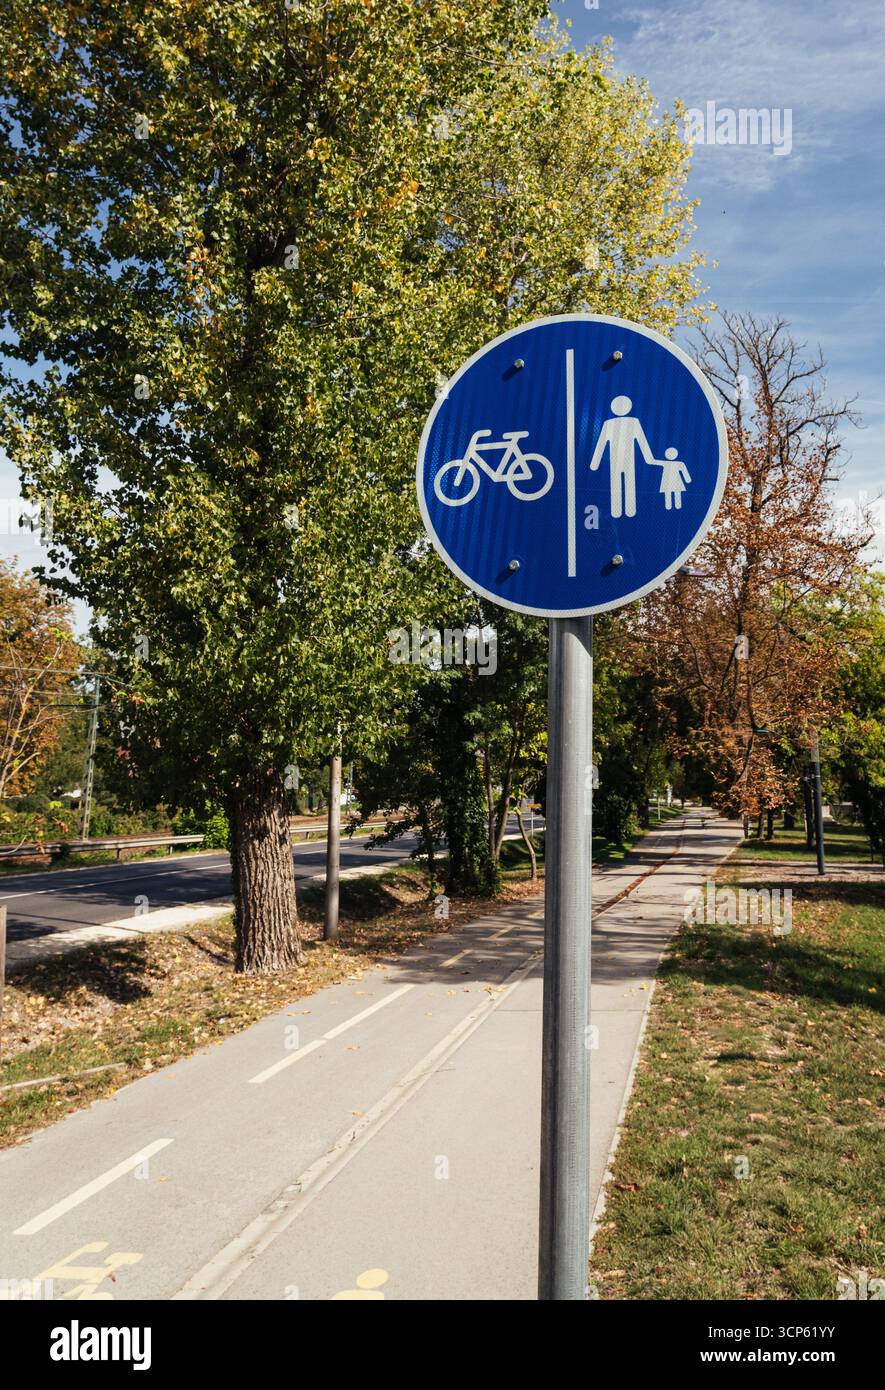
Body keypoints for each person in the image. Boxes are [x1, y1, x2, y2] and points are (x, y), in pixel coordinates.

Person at [588, 395, 656, 518]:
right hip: (621, 458)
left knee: (619, 483)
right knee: (625, 482)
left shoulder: (620, 423)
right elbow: (602, 443)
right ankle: (627, 511)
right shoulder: (626, 422)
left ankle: (619, 511)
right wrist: (648, 458)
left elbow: (641, 441)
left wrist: (595, 463)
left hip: (622, 458)